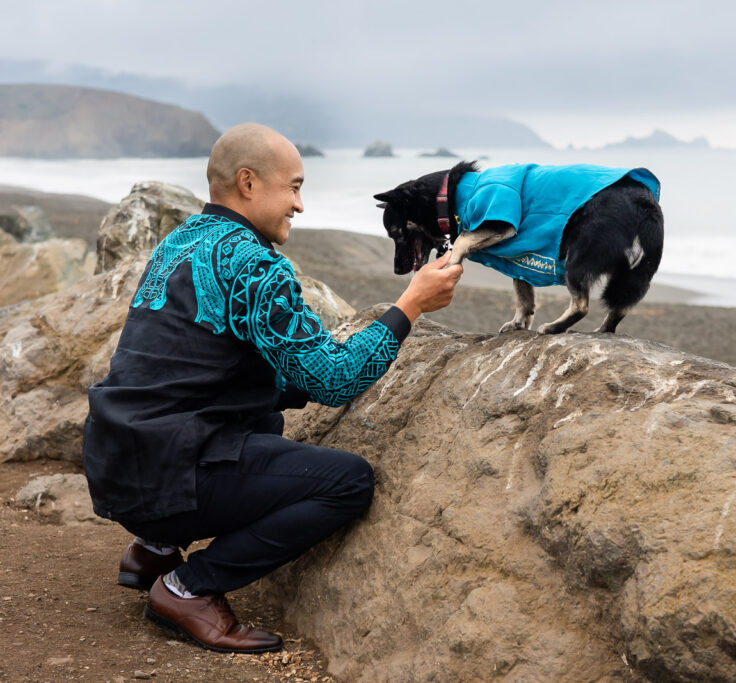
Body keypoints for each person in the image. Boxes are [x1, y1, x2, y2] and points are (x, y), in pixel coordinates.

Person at [82, 122, 463, 654]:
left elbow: (205, 370)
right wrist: (411, 305)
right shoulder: (256, 266)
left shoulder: (180, 242)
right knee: (347, 482)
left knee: (264, 415)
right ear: (248, 183)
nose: (300, 206)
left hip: (114, 461)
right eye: (295, 187)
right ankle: (188, 587)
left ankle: (153, 548)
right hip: (167, 472)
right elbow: (335, 379)